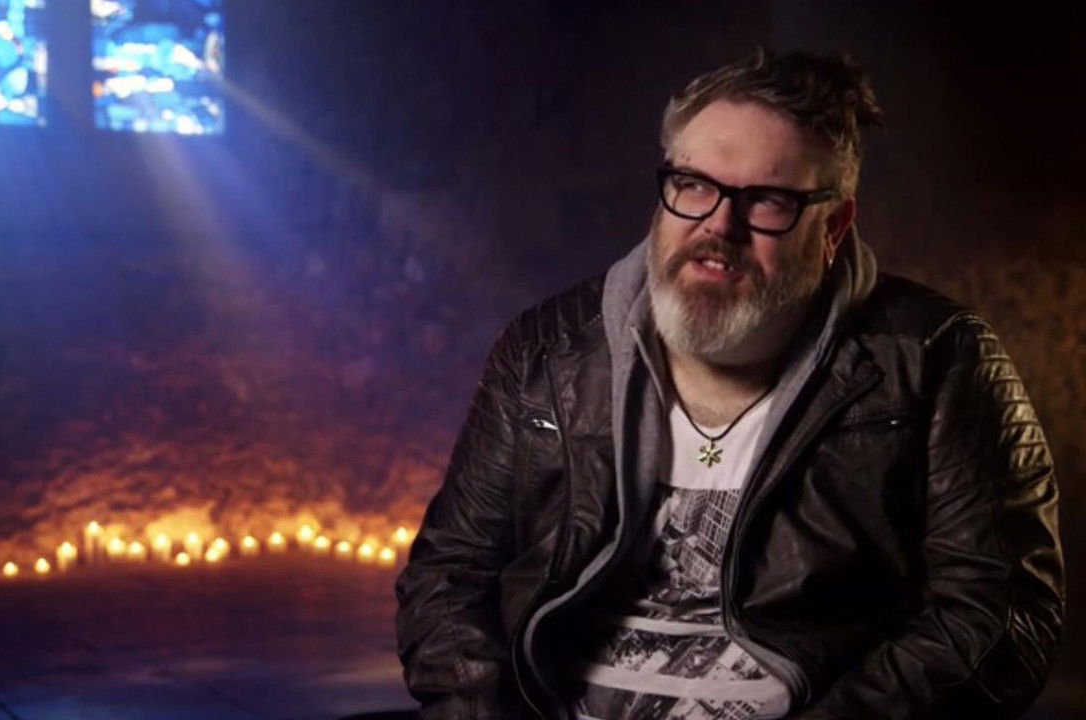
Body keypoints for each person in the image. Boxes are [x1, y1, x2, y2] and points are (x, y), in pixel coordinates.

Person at [394, 49, 1064, 720]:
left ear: (833, 228)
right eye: (693, 185)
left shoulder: (938, 358)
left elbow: (1002, 615)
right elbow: (450, 573)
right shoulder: (546, 349)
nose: (719, 224)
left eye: (767, 200)